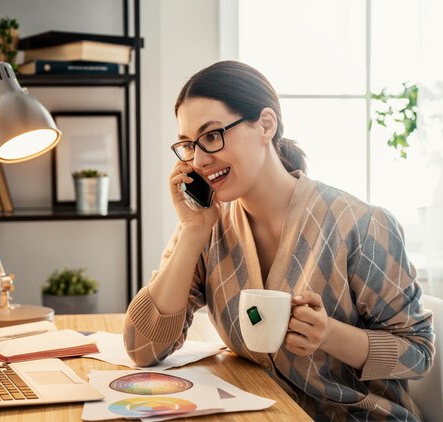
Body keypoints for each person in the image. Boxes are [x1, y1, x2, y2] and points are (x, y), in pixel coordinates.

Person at [123, 60, 435, 421]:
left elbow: (418, 353)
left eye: (212, 136)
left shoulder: (363, 225)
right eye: (188, 145)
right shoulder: (206, 227)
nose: (200, 160)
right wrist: (193, 232)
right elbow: (142, 348)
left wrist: (329, 335)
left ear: (266, 125)